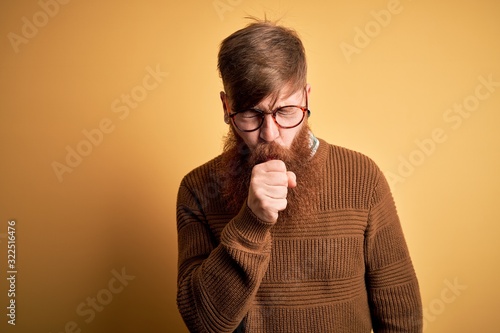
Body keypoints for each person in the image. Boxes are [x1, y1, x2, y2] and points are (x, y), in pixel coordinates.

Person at [176, 19, 423, 333]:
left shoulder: (362, 176)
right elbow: (203, 323)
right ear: (227, 107)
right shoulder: (198, 188)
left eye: (285, 111)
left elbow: (401, 312)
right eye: (251, 113)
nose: (270, 133)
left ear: (306, 98)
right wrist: (251, 222)